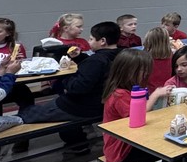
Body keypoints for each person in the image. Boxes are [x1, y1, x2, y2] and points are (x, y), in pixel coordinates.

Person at [100, 50, 187, 162]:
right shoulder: (119, 94)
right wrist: (156, 94)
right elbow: (136, 117)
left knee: (173, 139)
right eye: (143, 71)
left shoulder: (127, 89)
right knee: (174, 147)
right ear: (130, 71)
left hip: (129, 141)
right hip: (120, 150)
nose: (146, 75)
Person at [18, 21, 121, 153]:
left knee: (26, 113)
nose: (89, 42)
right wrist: (80, 57)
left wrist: (64, 75)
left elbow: (77, 88)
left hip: (79, 107)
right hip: (103, 104)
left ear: (102, 41)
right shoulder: (122, 55)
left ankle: (77, 144)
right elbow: (98, 68)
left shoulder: (95, 61)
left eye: (91, 39)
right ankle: (78, 142)